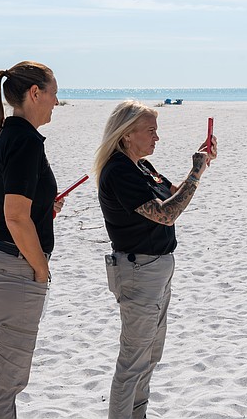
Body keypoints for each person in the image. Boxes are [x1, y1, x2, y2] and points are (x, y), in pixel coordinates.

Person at [93, 100, 217, 419]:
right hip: (138, 271)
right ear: (126, 134)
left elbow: (174, 195)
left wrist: (200, 165)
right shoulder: (119, 170)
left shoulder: (141, 166)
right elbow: (167, 214)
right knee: (132, 362)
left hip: (156, 269)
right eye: (150, 131)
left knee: (149, 357)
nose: (156, 137)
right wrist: (195, 172)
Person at [0, 60, 65, 419]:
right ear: (35, 93)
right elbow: (15, 216)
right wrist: (40, 270)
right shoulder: (26, 141)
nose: (57, 101)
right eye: (54, 93)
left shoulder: (2, 136)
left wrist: (42, 206)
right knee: (3, 388)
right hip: (10, 273)